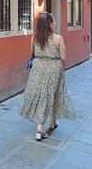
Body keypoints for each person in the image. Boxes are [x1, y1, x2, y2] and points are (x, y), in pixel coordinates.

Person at [20, 12, 75, 141]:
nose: (54, 24)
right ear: (49, 25)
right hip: (53, 68)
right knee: (51, 95)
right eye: (53, 22)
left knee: (41, 95)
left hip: (38, 68)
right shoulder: (58, 38)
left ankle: (51, 122)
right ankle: (40, 128)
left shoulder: (34, 38)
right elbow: (63, 57)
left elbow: (33, 54)